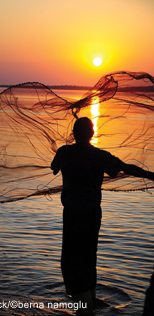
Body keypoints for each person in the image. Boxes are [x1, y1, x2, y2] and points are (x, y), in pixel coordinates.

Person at [51, 117, 154, 316]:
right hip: (92, 214)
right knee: (89, 255)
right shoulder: (100, 156)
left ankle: (84, 305)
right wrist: (152, 176)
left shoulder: (65, 152)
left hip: (72, 213)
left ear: (74, 133)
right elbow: (126, 167)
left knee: (73, 258)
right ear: (92, 134)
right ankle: (89, 297)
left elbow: (54, 168)